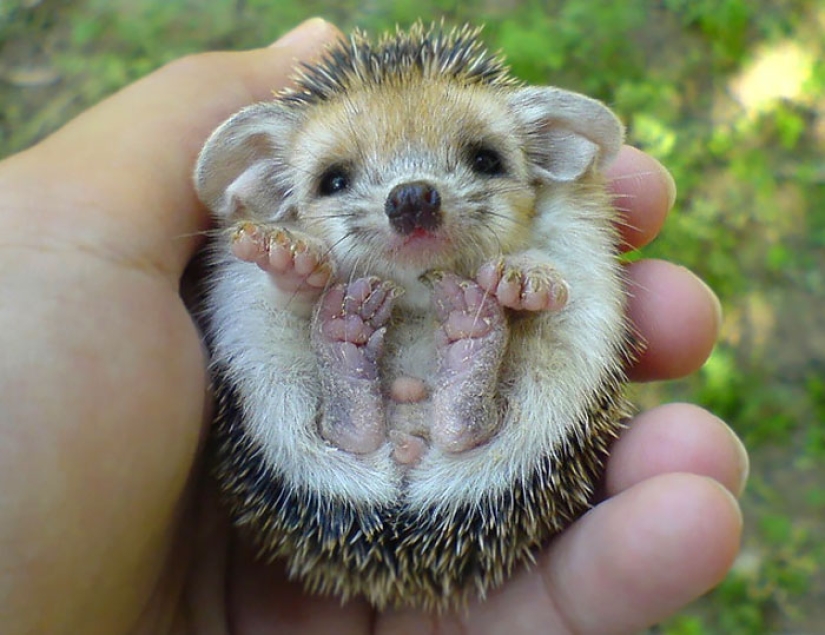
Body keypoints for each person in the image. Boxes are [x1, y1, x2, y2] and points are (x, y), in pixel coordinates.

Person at [0, 17, 748, 635]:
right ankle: (459, 389)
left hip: (394, 447)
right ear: (270, 177)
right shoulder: (283, 220)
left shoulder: (546, 214)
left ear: (545, 154)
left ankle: (361, 391)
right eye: (335, 179)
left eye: (481, 159)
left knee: (552, 296)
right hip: (400, 445)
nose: (411, 199)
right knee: (266, 287)